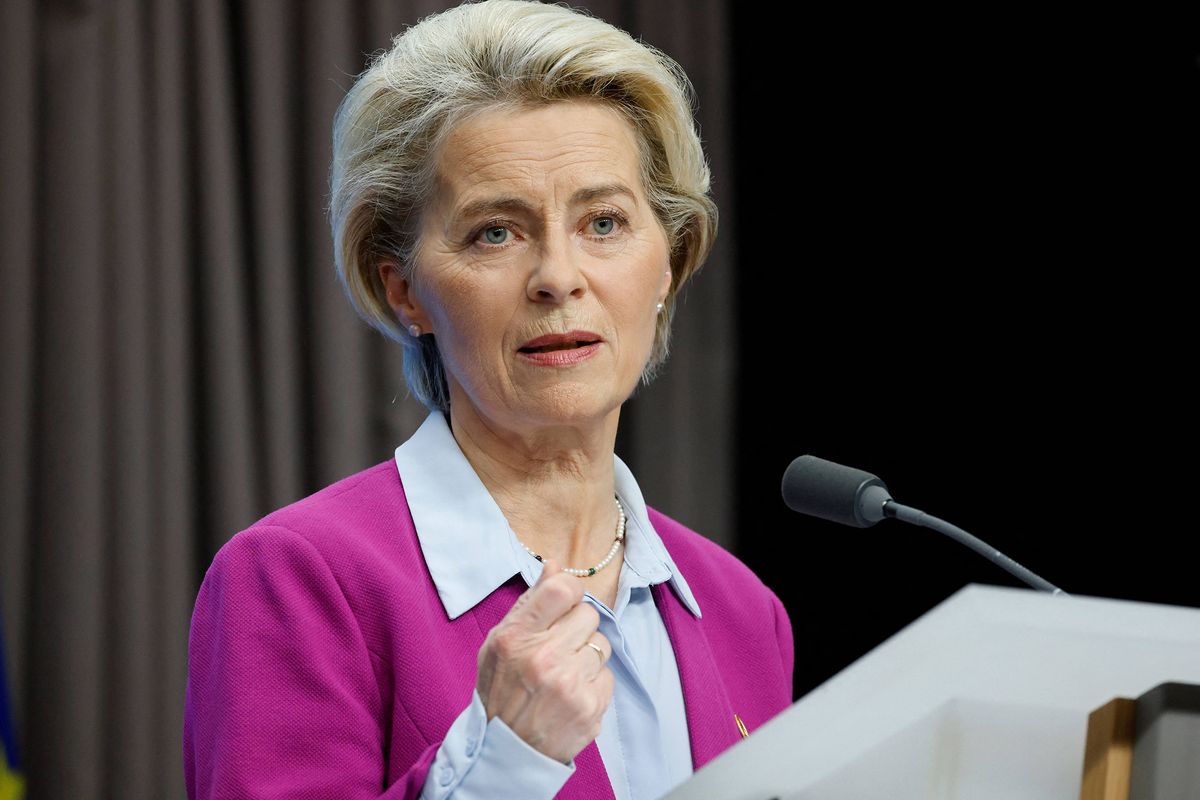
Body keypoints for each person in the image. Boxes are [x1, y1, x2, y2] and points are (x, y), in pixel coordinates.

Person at [182, 1, 794, 798]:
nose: (558, 276)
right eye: (494, 233)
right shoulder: (300, 582)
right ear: (403, 292)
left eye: (604, 222)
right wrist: (505, 762)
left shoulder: (744, 612)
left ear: (669, 261)